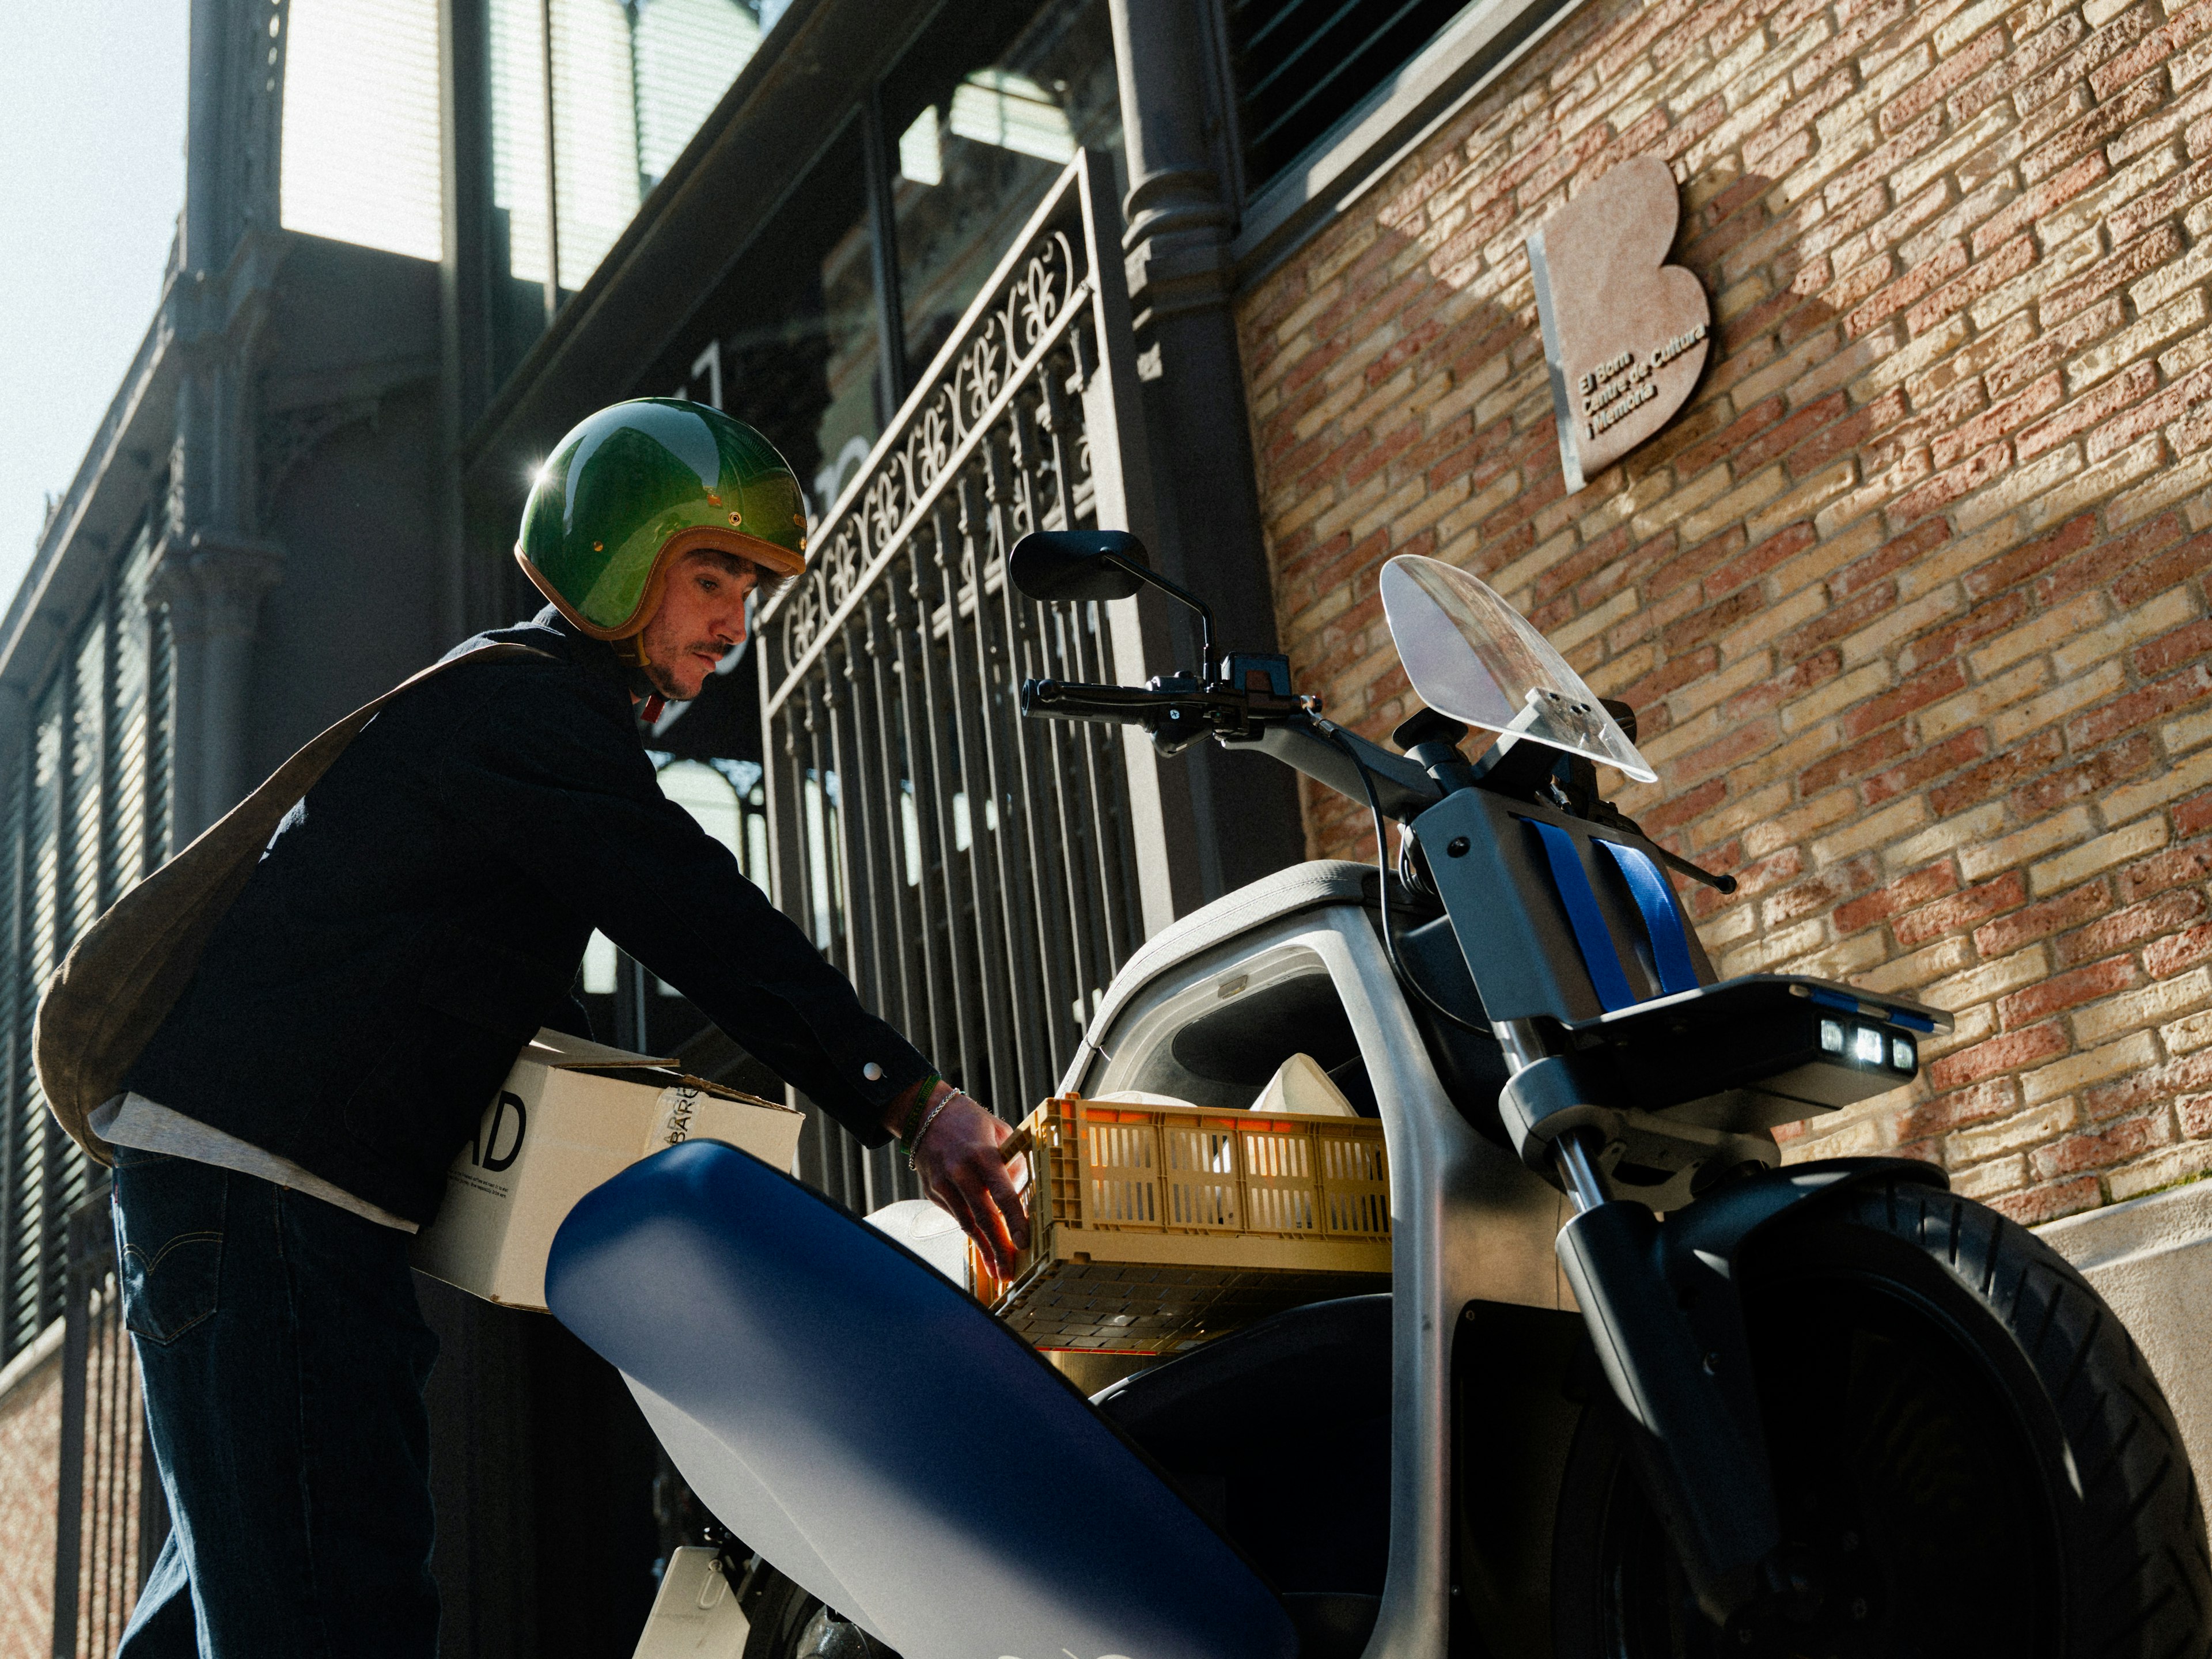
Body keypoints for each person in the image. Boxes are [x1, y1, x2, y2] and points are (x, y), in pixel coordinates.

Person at [97, 399, 1025, 1657]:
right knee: (338, 1609)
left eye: (749, 591)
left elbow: (533, 1023)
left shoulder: (512, 733)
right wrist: (910, 1098)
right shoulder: (526, 714)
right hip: (267, 1206)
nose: (734, 623)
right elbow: (698, 913)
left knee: (247, 1598)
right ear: (617, 558)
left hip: (257, 1200)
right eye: (711, 577)